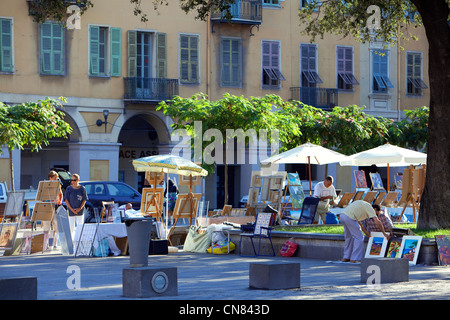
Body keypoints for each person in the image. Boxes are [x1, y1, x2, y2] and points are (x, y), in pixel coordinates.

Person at [64, 174, 88, 241]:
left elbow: (84, 199)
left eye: (74, 180)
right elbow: (66, 200)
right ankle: (72, 242)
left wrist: (79, 208)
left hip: (80, 211)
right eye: (71, 180)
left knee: (80, 227)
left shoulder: (82, 188)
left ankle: (79, 241)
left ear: (78, 180)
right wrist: (72, 209)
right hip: (71, 211)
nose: (73, 182)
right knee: (71, 228)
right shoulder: (69, 188)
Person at [48, 170, 63, 249]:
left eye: (57, 178)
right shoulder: (46, 185)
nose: (56, 180)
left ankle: (55, 243)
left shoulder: (58, 185)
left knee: (56, 225)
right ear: (50, 178)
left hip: (56, 205)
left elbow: (61, 194)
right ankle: (46, 244)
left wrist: (60, 202)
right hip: (48, 206)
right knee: (47, 225)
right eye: (55, 178)